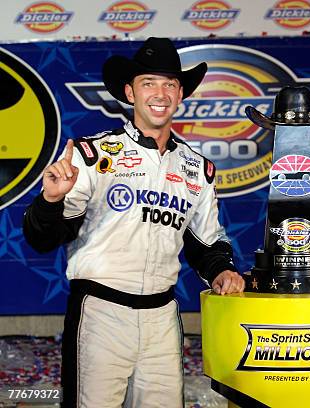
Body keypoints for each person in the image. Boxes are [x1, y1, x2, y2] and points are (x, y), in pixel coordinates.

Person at [22, 37, 244, 408]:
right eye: (149, 83)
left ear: (180, 95)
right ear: (130, 92)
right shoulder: (93, 156)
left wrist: (222, 272)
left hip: (162, 317)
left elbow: (207, 244)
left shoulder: (197, 169)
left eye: (170, 84)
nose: (160, 93)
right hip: (101, 313)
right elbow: (44, 238)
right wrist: (50, 199)